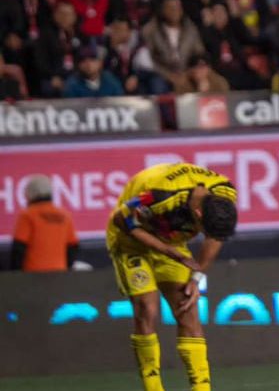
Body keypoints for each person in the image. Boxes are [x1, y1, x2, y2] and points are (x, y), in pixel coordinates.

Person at [106, 163, 238, 391]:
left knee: (187, 308)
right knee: (147, 307)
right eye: (204, 231)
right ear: (198, 214)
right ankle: (153, 386)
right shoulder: (160, 196)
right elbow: (121, 220)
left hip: (171, 242)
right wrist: (170, 252)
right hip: (130, 242)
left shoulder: (224, 195)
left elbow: (215, 237)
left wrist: (196, 278)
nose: (207, 236)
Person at [11, 175, 79, 272]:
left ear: (29, 194)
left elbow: (18, 248)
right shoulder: (65, 216)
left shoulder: (27, 215)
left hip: (32, 276)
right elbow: (73, 247)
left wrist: (15, 275)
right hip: (59, 275)